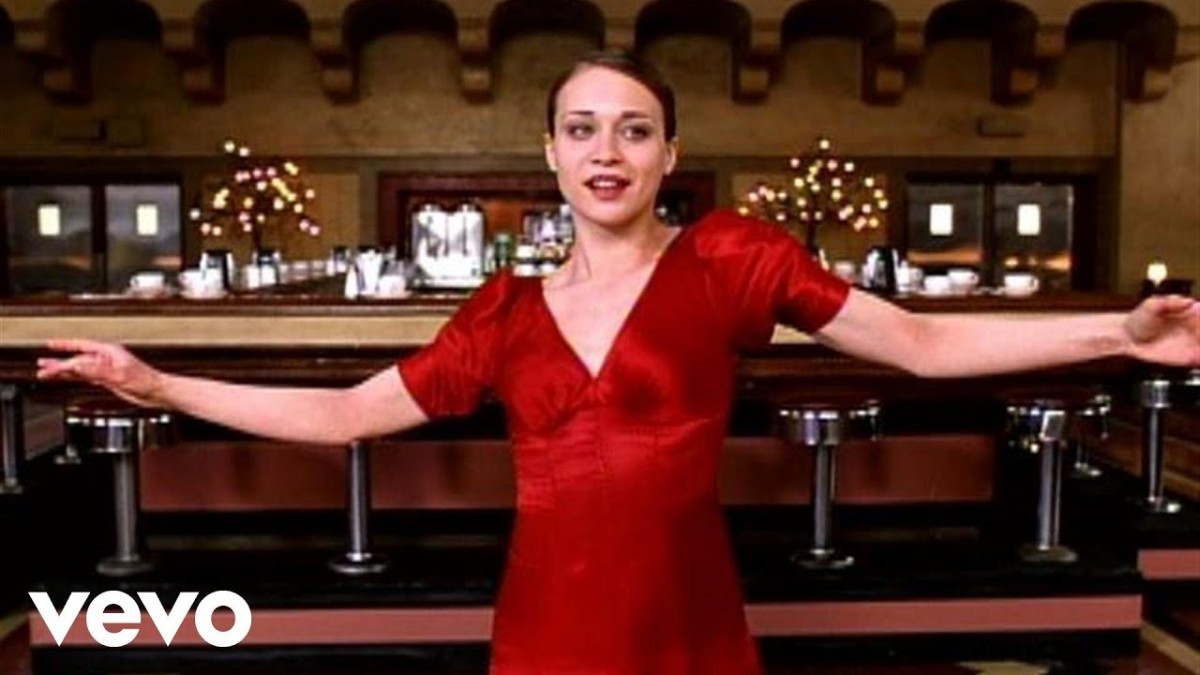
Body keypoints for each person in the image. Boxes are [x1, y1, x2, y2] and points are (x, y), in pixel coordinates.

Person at [37, 50, 1199, 674]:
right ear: (550, 154)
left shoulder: (730, 259)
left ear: (668, 154)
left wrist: (1120, 333)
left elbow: (921, 341)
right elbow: (345, 416)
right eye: (583, 128)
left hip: (690, 622)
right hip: (547, 627)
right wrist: (158, 384)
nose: (608, 150)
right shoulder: (503, 313)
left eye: (634, 129)